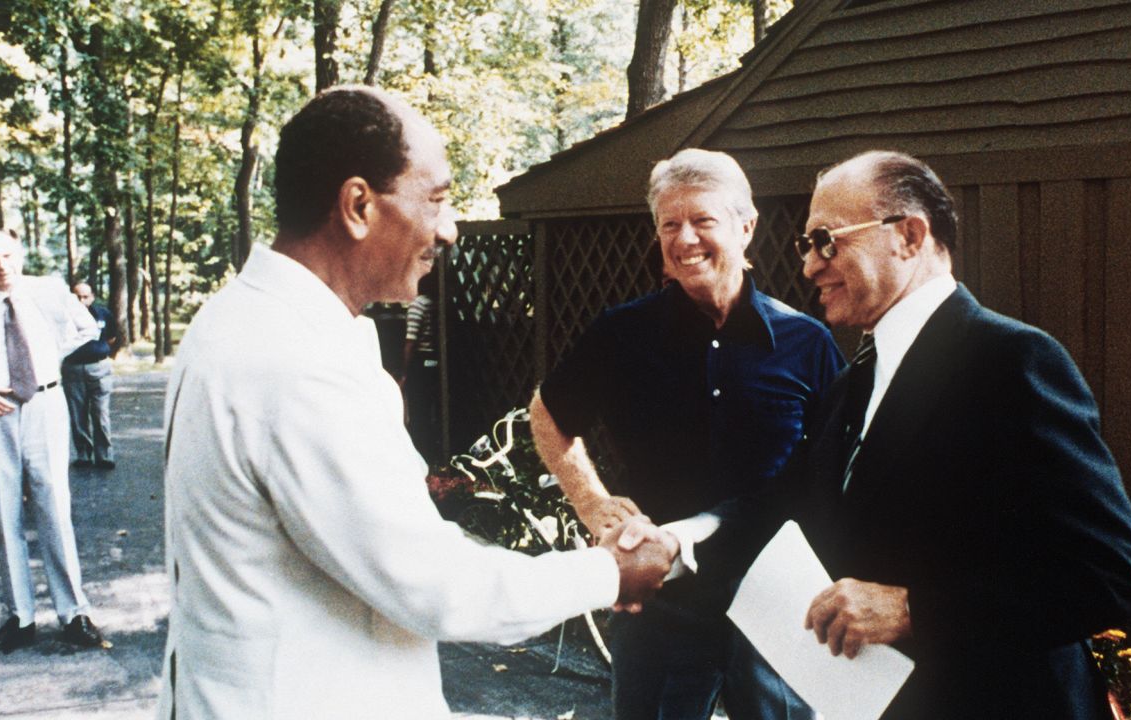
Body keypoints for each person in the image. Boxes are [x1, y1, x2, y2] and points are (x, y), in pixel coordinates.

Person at [156, 85, 676, 719]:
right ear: (357, 206)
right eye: (437, 200)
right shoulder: (296, 362)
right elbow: (432, 584)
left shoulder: (239, 321)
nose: (450, 229)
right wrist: (608, 573)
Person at [696, 150, 1131, 719]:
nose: (810, 265)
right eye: (807, 246)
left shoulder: (1012, 360)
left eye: (827, 240)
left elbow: (1108, 577)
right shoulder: (853, 381)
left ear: (908, 235)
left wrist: (914, 611)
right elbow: (782, 505)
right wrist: (674, 542)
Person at [530, 148, 844, 720]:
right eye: (669, 225)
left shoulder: (808, 343)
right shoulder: (623, 333)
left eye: (703, 221)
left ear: (746, 227)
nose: (685, 239)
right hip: (659, 601)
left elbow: (833, 471)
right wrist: (592, 501)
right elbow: (547, 415)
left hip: (774, 600)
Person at [0, 229, 107, 652]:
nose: (1, 267)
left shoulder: (49, 292)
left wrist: (50, 359)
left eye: (7, 255)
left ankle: (74, 613)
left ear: (20, 254)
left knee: (55, 511)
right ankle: (21, 617)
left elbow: (87, 328)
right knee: (5, 519)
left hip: (44, 408)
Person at [63, 282, 118, 470]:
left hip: (98, 368)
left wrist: (99, 352)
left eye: (85, 296)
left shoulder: (103, 314)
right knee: (77, 413)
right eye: (77, 296)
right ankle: (83, 454)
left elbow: (112, 337)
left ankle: (104, 455)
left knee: (100, 412)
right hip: (73, 369)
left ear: (92, 297)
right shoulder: (63, 317)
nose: (81, 300)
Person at [402, 269, 441, 463]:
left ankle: (421, 452)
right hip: (435, 360)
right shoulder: (438, 303)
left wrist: (404, 369)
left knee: (418, 409)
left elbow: (411, 340)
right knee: (433, 406)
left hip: (421, 361)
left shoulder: (418, 304)